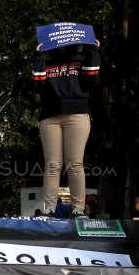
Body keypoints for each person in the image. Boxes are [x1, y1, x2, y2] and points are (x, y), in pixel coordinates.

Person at [32, 40, 100, 219]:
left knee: (75, 163)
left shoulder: (82, 58)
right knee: (52, 165)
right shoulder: (46, 61)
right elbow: (38, 84)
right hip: (49, 117)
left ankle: (78, 208)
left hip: (77, 114)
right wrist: (38, 56)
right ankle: (49, 209)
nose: (62, 44)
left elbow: (92, 79)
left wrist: (93, 50)